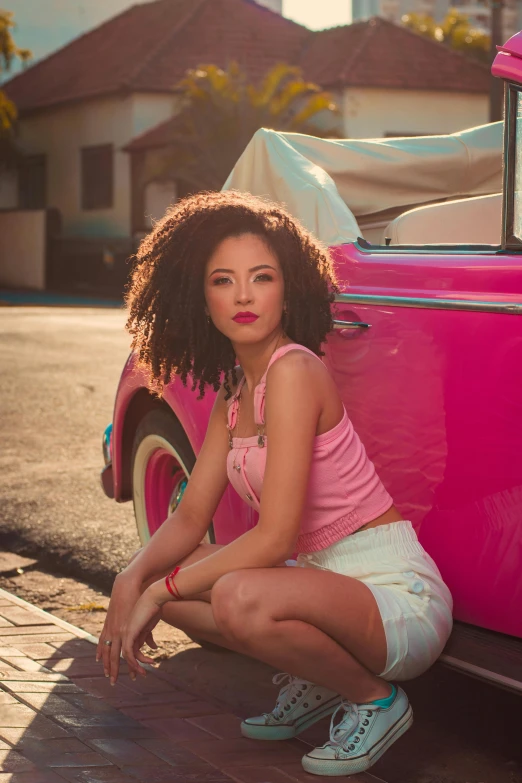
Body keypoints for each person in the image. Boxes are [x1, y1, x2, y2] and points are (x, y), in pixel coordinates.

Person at [98, 191, 453, 777]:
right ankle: (320, 675)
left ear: (288, 288)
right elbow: (189, 521)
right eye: (223, 280)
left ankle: (375, 699)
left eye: (261, 277)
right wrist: (132, 578)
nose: (243, 295)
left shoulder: (294, 371)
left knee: (229, 594)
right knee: (165, 574)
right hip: (319, 588)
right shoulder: (235, 398)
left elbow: (276, 536)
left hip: (394, 599)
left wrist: (161, 593)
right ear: (198, 297)